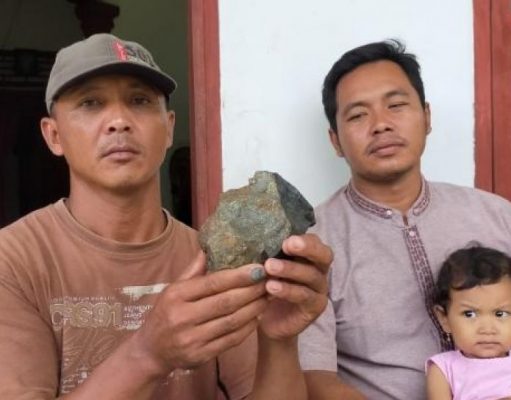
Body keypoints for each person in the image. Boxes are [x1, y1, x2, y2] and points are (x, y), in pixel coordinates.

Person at [0, 33, 331, 400]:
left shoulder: (215, 261)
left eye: (139, 100)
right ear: (54, 135)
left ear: (170, 126)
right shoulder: (13, 261)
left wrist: (279, 342)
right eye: (91, 103)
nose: (119, 121)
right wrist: (148, 354)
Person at [297, 39, 511, 399]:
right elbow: (315, 379)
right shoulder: (313, 245)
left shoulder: (497, 216)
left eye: (396, 105)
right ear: (335, 141)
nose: (381, 124)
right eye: (358, 115)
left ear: (427, 117)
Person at [427, 246, 511, 400]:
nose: (487, 329)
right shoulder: (443, 369)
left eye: (500, 314)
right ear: (444, 318)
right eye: (469, 314)